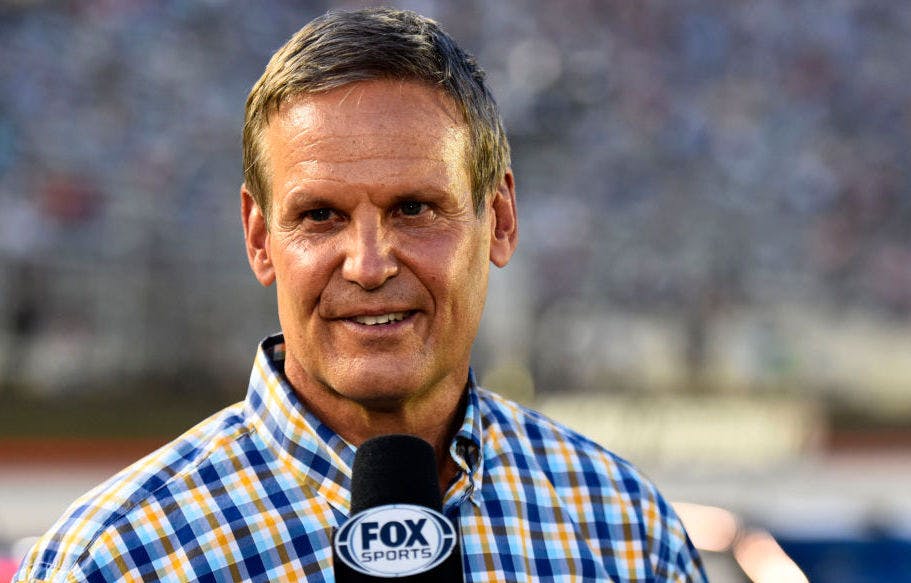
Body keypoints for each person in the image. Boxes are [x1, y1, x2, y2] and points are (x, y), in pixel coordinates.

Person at [15, 8, 706, 582]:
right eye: (320, 215)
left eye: (414, 208)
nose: (369, 266)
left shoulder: (625, 532)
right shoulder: (114, 561)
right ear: (259, 239)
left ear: (499, 220)